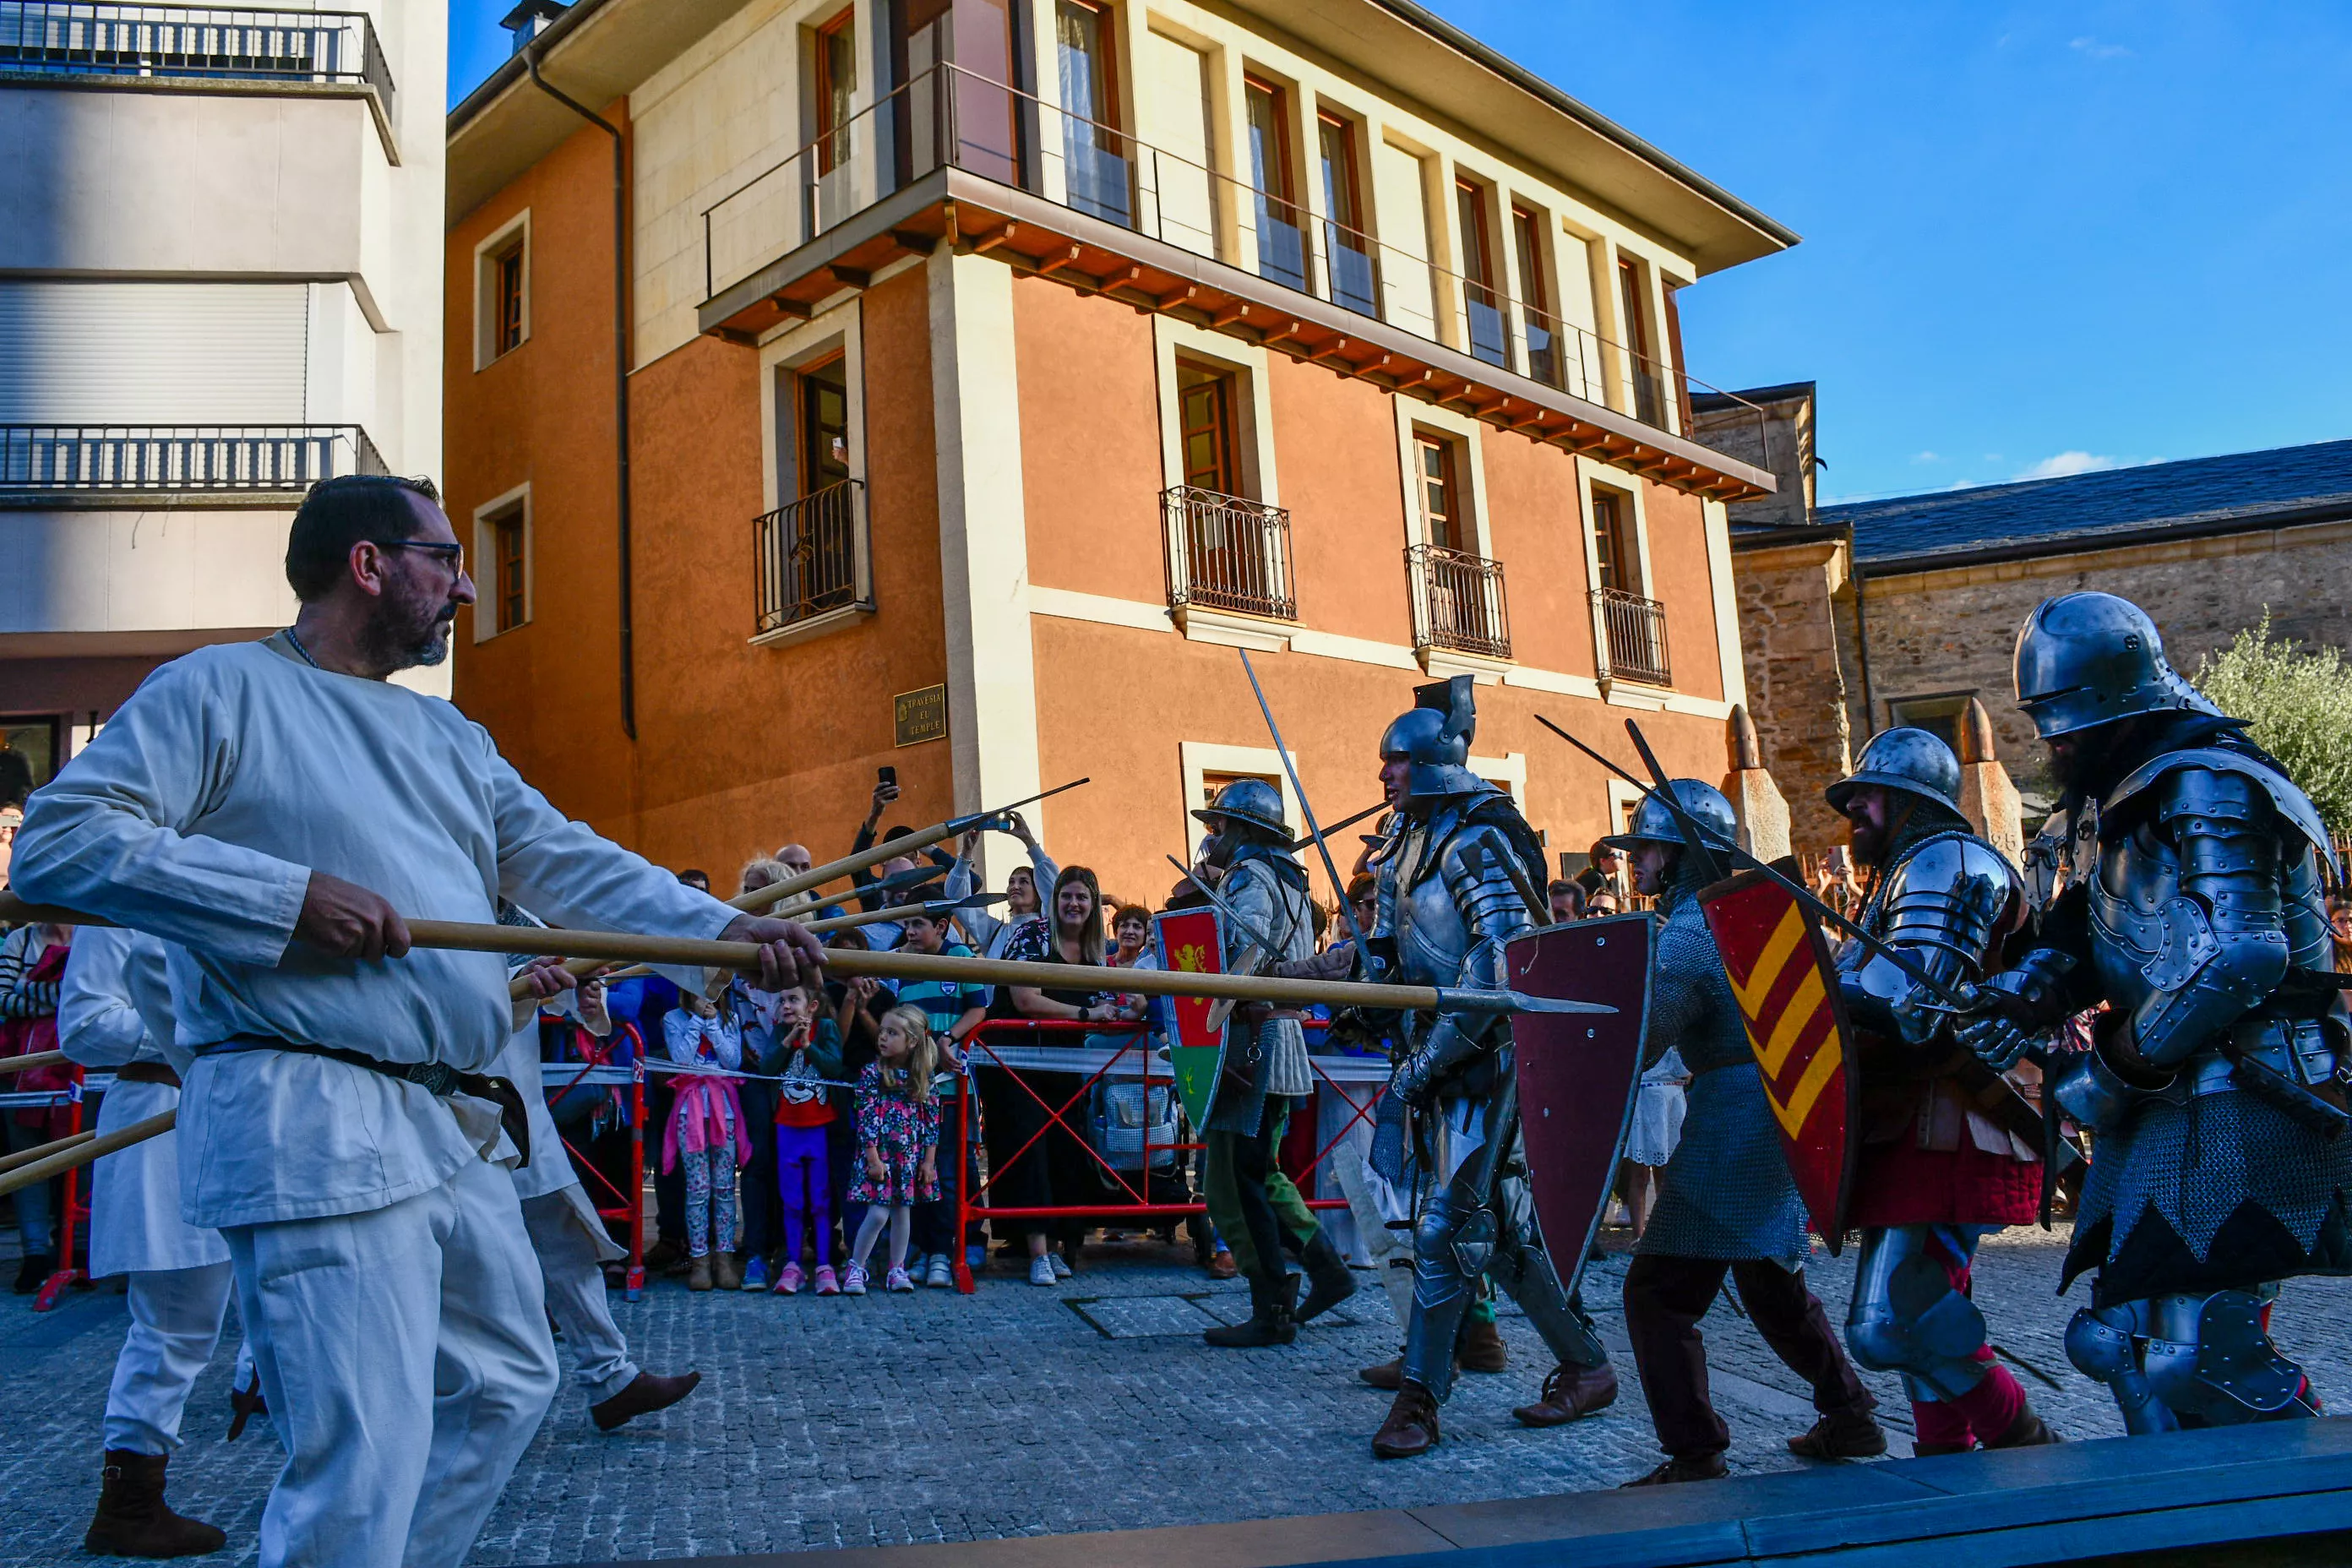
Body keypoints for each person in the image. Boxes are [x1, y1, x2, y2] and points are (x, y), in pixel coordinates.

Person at [8, 471, 825, 1568]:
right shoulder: (218, 690)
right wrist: (285, 897)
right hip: (309, 1123)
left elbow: (565, 860)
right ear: (369, 563)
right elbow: (62, 843)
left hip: (444, 1129)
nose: (467, 587)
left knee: (508, 1382)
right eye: (444, 558)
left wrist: (729, 928)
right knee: (360, 1463)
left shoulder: (452, 741)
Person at [1958, 591, 2351, 1430]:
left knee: (2195, 1354)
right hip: (2170, 1090)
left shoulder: (2209, 778)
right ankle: (2187, 1510)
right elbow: (2087, 931)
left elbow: (2243, 953)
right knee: (2112, 1338)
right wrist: (2020, 994)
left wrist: (2118, 1063)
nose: (2052, 740)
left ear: (2116, 703)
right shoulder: (2115, 796)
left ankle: (2309, 1496)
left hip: (2253, 1080)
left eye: (2064, 720)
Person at [1359, 678, 1617, 1458]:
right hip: (1432, 1058)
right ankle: (1587, 1365)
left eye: (1396, 760)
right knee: (1498, 1237)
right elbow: (1385, 962)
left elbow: (1499, 970)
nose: (1384, 775)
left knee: (1447, 1228)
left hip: (1488, 1059)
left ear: (1433, 760)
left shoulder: (1476, 841)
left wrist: (1417, 1074)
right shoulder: (1403, 844)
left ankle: (1419, 1401)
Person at [1607, 781, 1882, 1486]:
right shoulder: (1740, 920)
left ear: (1676, 856)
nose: (1633, 863)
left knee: (1657, 1293)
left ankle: (1696, 1451)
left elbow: (1643, 1040)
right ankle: (1850, 1416)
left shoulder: (1694, 933)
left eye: (1644, 850)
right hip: (1772, 1109)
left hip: (1736, 1121)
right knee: (1768, 1280)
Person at [1824, 729, 2056, 1456]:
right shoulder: (1897, 875)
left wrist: (1807, 978)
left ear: (1911, 800)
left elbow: (1916, 1009)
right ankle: (1949, 1465)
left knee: (1892, 1321)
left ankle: (2024, 1443)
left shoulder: (1947, 862)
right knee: (1919, 1310)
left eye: (1867, 794)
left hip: (1955, 1114)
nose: (1853, 807)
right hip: (1911, 1115)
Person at [57, 926, 237, 1556]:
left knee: (280, 1298)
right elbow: (83, 1027)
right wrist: (202, 1023)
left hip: (239, 1110)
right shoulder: (113, 906)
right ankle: (129, 1501)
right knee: (173, 1325)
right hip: (163, 1117)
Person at [493, 906, 702, 1433]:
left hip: (514, 1111)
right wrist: (521, 979)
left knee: (565, 1238)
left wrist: (584, 993)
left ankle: (612, 1379)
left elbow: (574, 989)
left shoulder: (509, 905)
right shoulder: (429, 881)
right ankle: (258, 1372)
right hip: (452, 1109)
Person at [1184, 780, 1356, 1348]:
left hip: (1251, 1036)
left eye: (1221, 826)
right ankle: (1317, 1274)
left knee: (1243, 1180)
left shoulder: (1251, 879)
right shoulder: (1291, 881)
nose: (1214, 837)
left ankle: (1273, 1307)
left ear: (1243, 828)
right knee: (1246, 1175)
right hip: (1274, 1034)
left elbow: (1245, 954)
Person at [994, 866, 1124, 1283]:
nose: (1073, 904)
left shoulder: (1095, 953)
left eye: (1082, 898)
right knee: (1029, 1148)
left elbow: (1111, 1001)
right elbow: (1025, 998)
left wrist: (1130, 1008)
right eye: (1067, 895)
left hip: (1064, 1065)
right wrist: (1084, 1014)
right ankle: (1036, 1252)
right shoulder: (1031, 935)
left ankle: (1059, 1247)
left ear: (1093, 904)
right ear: (1055, 900)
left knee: (1065, 1150)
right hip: (1018, 1063)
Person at [895, 909, 988, 1287]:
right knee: (918, 1172)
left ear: (941, 927)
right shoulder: (899, 961)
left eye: (918, 924)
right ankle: (924, 1245)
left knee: (948, 1172)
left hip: (949, 1089)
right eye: (907, 924)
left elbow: (979, 1007)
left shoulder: (959, 958)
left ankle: (947, 1250)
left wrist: (946, 1038)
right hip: (913, 1090)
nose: (910, 931)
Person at [844, 1005, 940, 1294]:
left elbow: (931, 1119)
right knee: (877, 1214)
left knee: (903, 1213)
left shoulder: (922, 1075)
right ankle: (856, 1267)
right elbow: (866, 1116)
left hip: (907, 1157)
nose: (883, 1037)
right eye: (883, 1031)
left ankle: (896, 1269)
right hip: (880, 1157)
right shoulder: (872, 1073)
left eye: (892, 1033)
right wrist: (872, 1158)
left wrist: (929, 1161)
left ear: (912, 1041)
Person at [728, 859, 792, 1290]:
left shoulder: (797, 950)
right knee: (755, 1164)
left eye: (761, 890)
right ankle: (754, 1252)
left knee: (794, 1165)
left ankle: (791, 1250)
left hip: (797, 1076)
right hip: (753, 1074)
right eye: (747, 888)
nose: (752, 898)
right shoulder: (734, 952)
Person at [664, 989, 751, 1291]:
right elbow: (681, 1060)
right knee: (698, 1187)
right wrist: (697, 1021)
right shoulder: (673, 1019)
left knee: (725, 1187)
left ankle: (724, 1258)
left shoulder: (731, 1019)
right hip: (691, 1112)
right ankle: (699, 1258)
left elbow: (733, 1061)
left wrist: (713, 1024)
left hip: (723, 1111)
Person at [0, 916, 68, 1291]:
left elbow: (98, 996)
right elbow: (2, 999)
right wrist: (58, 997)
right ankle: (35, 1253)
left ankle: (77, 1247)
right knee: (29, 1159)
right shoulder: (20, 940)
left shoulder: (96, 936)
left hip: (82, 1068)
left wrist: (29, 988)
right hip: (23, 1071)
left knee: (86, 1160)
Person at [771, 982, 844, 1294]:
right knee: (792, 1201)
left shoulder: (826, 1028)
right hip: (787, 1127)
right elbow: (766, 1067)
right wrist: (789, 1041)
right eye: (783, 1000)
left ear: (812, 1006)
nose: (786, 1005)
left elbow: (834, 1067)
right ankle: (793, 1264)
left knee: (820, 1200)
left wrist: (807, 1043)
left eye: (793, 999)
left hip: (819, 1127)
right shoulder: (779, 1033)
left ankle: (824, 1264)